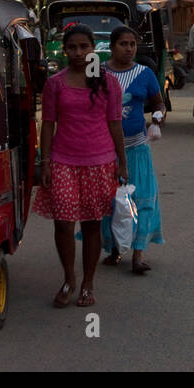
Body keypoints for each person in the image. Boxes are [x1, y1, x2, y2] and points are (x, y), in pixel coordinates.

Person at [33, 25, 127, 308]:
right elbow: (47, 125)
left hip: (99, 162)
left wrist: (122, 162)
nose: (78, 53)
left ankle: (87, 283)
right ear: (64, 51)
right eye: (72, 47)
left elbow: (115, 124)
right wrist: (45, 162)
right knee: (63, 223)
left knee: (91, 225)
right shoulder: (55, 84)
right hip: (62, 161)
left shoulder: (108, 83)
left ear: (93, 49)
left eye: (84, 47)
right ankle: (68, 279)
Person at [100, 26, 165, 274]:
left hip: (137, 147)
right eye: (123, 44)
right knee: (109, 201)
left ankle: (138, 253)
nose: (129, 49)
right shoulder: (99, 72)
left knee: (142, 198)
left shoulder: (145, 74)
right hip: (105, 150)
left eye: (133, 44)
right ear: (112, 46)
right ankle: (115, 249)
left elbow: (158, 102)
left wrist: (157, 117)